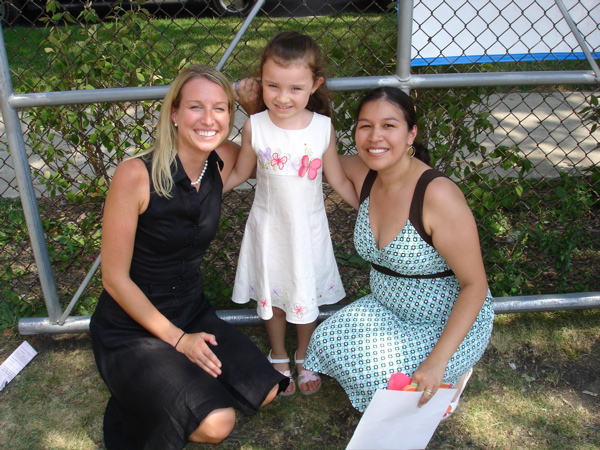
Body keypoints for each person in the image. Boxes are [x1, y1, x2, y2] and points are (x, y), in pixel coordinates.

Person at [89, 65, 288, 450]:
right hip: (131, 328)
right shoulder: (135, 175)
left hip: (191, 311)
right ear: (175, 114)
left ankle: (174, 388)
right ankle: (147, 393)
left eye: (220, 109)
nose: (209, 119)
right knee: (218, 424)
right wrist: (179, 342)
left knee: (264, 390)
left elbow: (254, 156)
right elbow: (114, 279)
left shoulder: (222, 160)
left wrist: (252, 106)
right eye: (196, 107)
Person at [304, 86, 495, 415]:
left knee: (381, 380)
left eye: (389, 125)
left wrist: (437, 361)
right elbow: (302, 151)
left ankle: (450, 373)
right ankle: (418, 381)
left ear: (411, 134)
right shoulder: (365, 175)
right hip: (387, 309)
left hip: (442, 321)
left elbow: (475, 286)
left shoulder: (437, 195)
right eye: (365, 125)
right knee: (325, 339)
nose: (375, 136)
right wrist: (264, 110)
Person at [223, 31, 359, 396]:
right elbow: (239, 172)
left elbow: (338, 180)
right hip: (268, 230)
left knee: (305, 293)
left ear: (315, 85)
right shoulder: (256, 126)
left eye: (295, 89)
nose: (283, 98)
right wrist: (201, 193)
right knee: (274, 297)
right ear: (262, 82)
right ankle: (279, 354)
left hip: (307, 231)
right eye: (272, 86)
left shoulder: (323, 129)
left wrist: (368, 206)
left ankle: (305, 354)